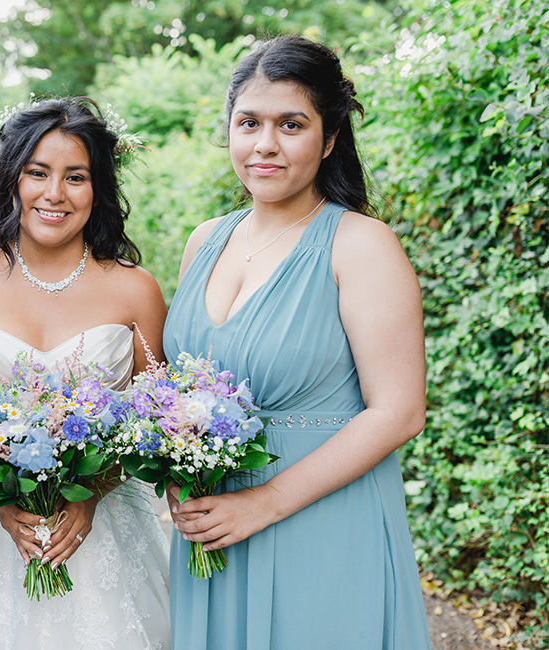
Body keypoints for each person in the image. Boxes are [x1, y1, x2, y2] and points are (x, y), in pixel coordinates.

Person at [163, 35, 432, 649]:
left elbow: (399, 411)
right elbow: (179, 391)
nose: (265, 144)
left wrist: (265, 503)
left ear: (329, 138)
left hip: (321, 520)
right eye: (248, 122)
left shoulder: (361, 244)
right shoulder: (204, 240)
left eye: (291, 124)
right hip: (213, 524)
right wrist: (177, 469)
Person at [0, 98, 171, 649]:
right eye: (38, 173)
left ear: (98, 189)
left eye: (75, 177)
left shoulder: (136, 290)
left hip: (102, 534)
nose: (55, 193)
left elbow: (156, 423)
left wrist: (92, 493)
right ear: (12, 181)